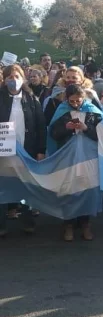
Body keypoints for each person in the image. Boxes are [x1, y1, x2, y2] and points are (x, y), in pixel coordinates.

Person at [49, 84, 103, 241]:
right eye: (72, 101)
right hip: (67, 158)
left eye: (78, 101)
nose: (75, 104)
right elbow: (53, 134)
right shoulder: (62, 111)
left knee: (88, 189)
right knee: (68, 188)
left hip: (89, 158)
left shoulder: (93, 111)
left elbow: (102, 134)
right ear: (67, 99)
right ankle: (69, 224)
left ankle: (86, 224)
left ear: (84, 97)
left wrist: (86, 128)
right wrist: (66, 128)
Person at [0, 65, 46, 236]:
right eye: (9, 76)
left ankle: (28, 220)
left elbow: (41, 126)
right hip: (4, 152)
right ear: (4, 79)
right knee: (2, 185)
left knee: (26, 186)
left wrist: (40, 150)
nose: (13, 80)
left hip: (27, 150)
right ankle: (1, 224)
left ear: (23, 77)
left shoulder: (31, 99)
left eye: (16, 76)